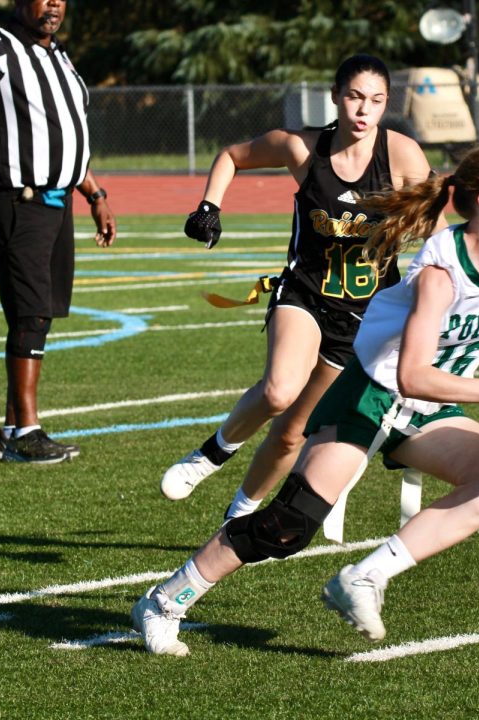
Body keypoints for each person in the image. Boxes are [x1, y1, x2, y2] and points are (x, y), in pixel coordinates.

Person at [133, 145, 479, 655]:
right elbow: (412, 375)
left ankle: (363, 578)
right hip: (372, 394)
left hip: (428, 405)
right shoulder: (440, 273)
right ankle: (164, 602)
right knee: (288, 525)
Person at [160, 53, 433, 520]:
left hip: (364, 315)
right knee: (279, 391)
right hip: (304, 292)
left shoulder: (402, 154)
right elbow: (232, 155)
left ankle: (239, 515)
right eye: (354, 97)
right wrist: (209, 206)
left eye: (376, 100)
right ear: (334, 97)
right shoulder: (304, 149)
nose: (364, 110)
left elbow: (437, 229)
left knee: (292, 432)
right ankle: (209, 455)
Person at [0, 0, 116, 464]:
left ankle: (10, 430)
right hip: (19, 198)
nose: (55, 3)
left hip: (60, 200)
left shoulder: (60, 57)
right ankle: (26, 434)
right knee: (30, 312)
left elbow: (65, 136)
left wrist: (95, 193)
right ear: (22, 1)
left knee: (38, 313)